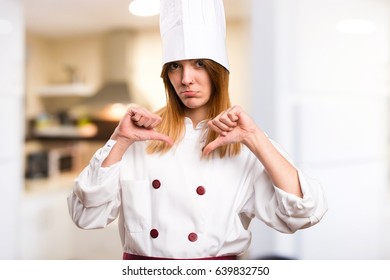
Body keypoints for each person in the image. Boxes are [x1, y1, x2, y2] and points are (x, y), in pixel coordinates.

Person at [67, 0, 327, 260]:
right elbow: (85, 215)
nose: (185, 79)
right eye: (175, 66)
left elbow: (304, 213)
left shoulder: (244, 144)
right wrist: (119, 140)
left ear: (218, 72)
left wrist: (254, 138)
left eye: (199, 63)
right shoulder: (139, 139)